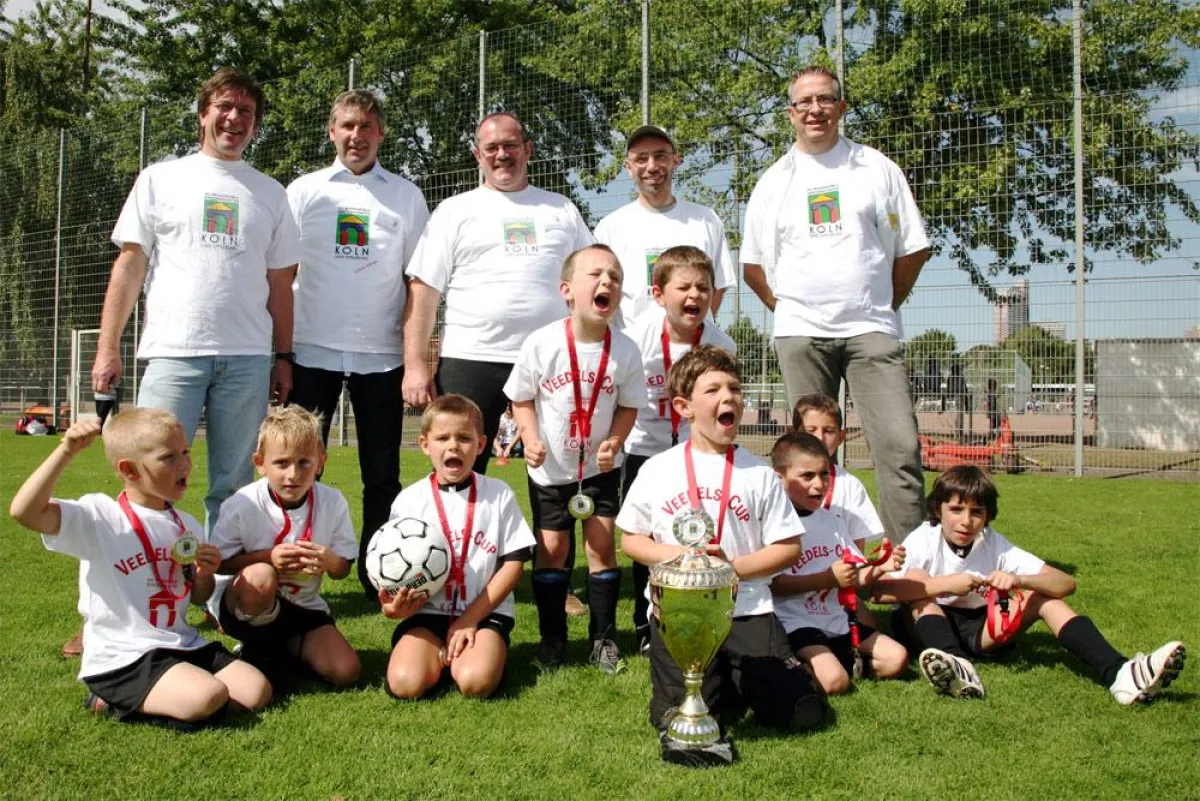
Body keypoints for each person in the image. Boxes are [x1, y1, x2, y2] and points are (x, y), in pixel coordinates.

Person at [90, 67, 301, 537]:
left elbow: (280, 284)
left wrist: (282, 356)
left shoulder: (271, 193)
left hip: (246, 357)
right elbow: (129, 265)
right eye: (224, 107)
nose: (234, 118)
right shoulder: (160, 178)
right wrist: (107, 347)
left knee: (235, 484)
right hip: (172, 351)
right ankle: (149, 584)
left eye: (245, 111)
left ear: (255, 124)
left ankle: (222, 590)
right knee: (151, 475)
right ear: (203, 114)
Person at [741, 65, 931, 542]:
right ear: (790, 113)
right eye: (804, 102)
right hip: (801, 334)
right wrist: (788, 311)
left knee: (899, 448)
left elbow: (913, 248)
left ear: (841, 108)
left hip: (870, 332)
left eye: (825, 99)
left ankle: (910, 576)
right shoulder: (773, 182)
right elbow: (753, 265)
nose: (815, 109)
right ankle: (807, 566)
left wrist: (883, 304)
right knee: (806, 458)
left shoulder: (877, 169)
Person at [9, 409, 271, 729]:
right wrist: (66, 450)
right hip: (125, 656)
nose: (185, 465)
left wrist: (205, 572)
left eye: (186, 453)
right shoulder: (99, 516)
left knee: (257, 691)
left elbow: (197, 596)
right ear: (129, 470)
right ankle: (106, 699)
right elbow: (24, 511)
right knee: (209, 697)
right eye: (169, 458)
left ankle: (177, 692)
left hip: (180, 642)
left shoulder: (185, 524)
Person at [618, 345, 825, 733]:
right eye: (712, 390)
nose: (728, 397)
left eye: (734, 389)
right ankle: (714, 684)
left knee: (803, 712)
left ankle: (734, 679)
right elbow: (632, 540)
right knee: (679, 719)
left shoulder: (759, 473)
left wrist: (730, 569)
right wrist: (681, 559)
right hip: (679, 613)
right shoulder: (657, 469)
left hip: (746, 608)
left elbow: (788, 547)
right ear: (684, 407)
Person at [877, 465, 1187, 704]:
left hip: (979, 628)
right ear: (938, 509)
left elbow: (1066, 583)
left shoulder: (994, 544)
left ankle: (1121, 674)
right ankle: (958, 668)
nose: (966, 521)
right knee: (919, 581)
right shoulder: (923, 538)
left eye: (977, 512)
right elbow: (878, 592)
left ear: (987, 517)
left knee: (1045, 599)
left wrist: (1020, 579)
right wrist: (943, 585)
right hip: (926, 622)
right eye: (956, 509)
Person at [286, 90, 430, 598]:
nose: (357, 135)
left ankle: (378, 572)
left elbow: (420, 282)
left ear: (381, 134)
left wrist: (416, 362)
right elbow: (280, 273)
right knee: (298, 468)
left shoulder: (406, 196)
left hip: (381, 356)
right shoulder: (303, 191)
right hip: (311, 351)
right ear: (331, 131)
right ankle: (296, 572)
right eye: (348, 125)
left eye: (367, 126)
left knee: (382, 475)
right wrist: (280, 351)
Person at [402, 111, 593, 474]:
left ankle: (549, 534)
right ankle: (461, 533)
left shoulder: (562, 209)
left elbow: (590, 279)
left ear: (528, 149)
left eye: (510, 145)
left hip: (550, 358)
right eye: (491, 147)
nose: (501, 154)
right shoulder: (453, 211)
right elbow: (424, 289)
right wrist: (414, 365)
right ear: (478, 155)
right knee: (459, 469)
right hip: (471, 357)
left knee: (558, 469)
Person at [503, 244, 647, 673]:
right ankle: (552, 639)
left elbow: (628, 405)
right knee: (552, 547)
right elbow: (522, 398)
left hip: (600, 470)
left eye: (615, 278)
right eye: (595, 275)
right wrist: (529, 438)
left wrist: (616, 441)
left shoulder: (625, 350)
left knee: (602, 545)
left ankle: (602, 638)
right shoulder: (542, 342)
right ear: (567, 290)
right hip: (551, 469)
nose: (607, 282)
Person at [621, 245, 737, 652]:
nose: (694, 296)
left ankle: (700, 612)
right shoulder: (635, 339)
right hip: (644, 448)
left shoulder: (721, 346)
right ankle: (646, 623)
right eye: (683, 287)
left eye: (703, 288)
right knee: (647, 537)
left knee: (696, 532)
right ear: (658, 294)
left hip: (696, 453)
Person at [381, 395, 535, 699]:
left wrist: (469, 620)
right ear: (425, 444)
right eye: (442, 438)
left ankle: (471, 657)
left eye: (464, 438)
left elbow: (514, 564)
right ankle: (435, 655)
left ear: (480, 445)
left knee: (475, 683)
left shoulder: (498, 494)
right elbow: (393, 568)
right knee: (404, 683)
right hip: (427, 613)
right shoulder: (409, 500)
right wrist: (391, 605)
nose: (453, 446)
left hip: (484, 612)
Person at [209, 406, 361, 688]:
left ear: (320, 462)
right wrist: (268, 558)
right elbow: (220, 563)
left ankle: (283, 647)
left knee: (345, 671)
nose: (293, 474)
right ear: (260, 463)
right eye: (281, 463)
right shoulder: (242, 504)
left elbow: (342, 569)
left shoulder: (333, 501)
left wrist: (328, 561)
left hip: (303, 606)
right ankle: (256, 647)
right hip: (244, 602)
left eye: (304, 462)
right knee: (261, 576)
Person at [769, 432, 907, 694]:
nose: (819, 484)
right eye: (807, 476)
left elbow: (853, 579)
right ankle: (791, 668)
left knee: (896, 658)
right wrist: (826, 579)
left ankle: (836, 664)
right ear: (779, 477)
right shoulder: (774, 524)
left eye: (824, 474)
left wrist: (879, 568)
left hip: (837, 620)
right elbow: (773, 586)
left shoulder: (832, 521)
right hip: (796, 623)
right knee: (835, 683)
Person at [593, 125, 737, 326]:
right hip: (635, 353)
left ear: (675, 160)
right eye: (641, 158)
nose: (652, 166)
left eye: (660, 156)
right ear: (628, 167)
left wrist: (693, 331)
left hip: (694, 352)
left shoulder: (706, 220)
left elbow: (719, 285)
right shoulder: (610, 228)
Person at [791, 392, 885, 549]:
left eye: (828, 431)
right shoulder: (777, 481)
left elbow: (857, 549)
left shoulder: (850, 486)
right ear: (792, 434)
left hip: (838, 570)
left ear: (841, 437)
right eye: (810, 430)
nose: (819, 438)